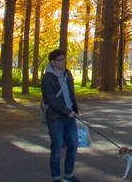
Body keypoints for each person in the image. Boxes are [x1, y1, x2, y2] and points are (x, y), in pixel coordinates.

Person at [42, 49, 81, 182]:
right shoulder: (47, 78)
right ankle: (56, 177)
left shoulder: (67, 74)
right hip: (55, 117)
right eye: (60, 59)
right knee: (57, 147)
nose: (63, 62)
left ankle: (69, 174)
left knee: (73, 145)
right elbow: (50, 99)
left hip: (70, 116)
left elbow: (71, 93)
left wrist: (75, 109)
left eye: (64, 59)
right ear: (52, 62)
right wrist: (66, 111)